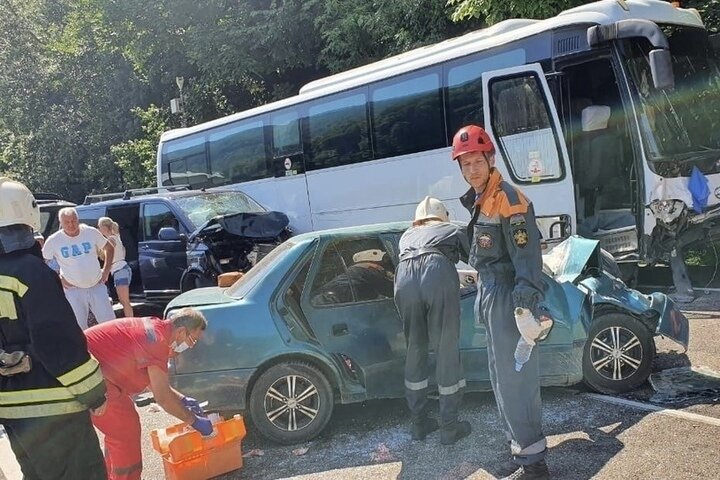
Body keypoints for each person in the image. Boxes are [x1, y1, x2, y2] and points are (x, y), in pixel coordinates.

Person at [452, 125, 550, 479]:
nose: (472, 169)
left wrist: (524, 305)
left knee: (516, 381)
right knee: (501, 379)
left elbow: (527, 259)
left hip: (509, 297)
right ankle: (521, 449)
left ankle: (535, 464)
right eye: (465, 164)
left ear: (490, 159)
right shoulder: (483, 198)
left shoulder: (510, 199)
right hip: (492, 293)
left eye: (477, 162)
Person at [0, 177, 108, 480]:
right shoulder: (31, 272)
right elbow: (57, 341)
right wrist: (94, 392)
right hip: (54, 409)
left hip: (10, 411)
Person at [85, 307, 214, 480]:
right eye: (192, 340)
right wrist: (194, 421)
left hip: (94, 371)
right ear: (181, 332)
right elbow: (163, 398)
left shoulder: (155, 330)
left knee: (119, 432)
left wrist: (182, 399)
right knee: (125, 430)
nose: (190, 346)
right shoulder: (156, 342)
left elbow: (153, 383)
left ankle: (111, 475)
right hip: (91, 375)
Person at [394, 196, 471, 445]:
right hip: (436, 271)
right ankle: (449, 428)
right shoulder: (452, 228)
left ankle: (419, 424)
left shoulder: (407, 235)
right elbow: (479, 257)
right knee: (445, 350)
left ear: (417, 220)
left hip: (404, 276)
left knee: (415, 348)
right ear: (443, 216)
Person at [42, 207, 116, 329]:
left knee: (109, 323)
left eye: (73, 221)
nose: (71, 225)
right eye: (67, 222)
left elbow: (109, 247)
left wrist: (106, 270)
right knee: (78, 326)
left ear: (78, 219)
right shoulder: (54, 240)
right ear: (61, 223)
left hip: (96, 284)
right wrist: (58, 279)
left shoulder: (90, 232)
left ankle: (112, 341)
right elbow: (43, 262)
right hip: (73, 289)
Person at [312, 249, 394, 305]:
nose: (383, 268)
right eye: (381, 265)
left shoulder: (352, 274)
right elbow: (393, 290)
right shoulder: (366, 273)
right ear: (371, 264)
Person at [98, 217, 134, 317]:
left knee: (124, 301)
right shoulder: (116, 237)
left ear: (104, 227)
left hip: (119, 270)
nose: (99, 229)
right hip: (122, 269)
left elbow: (106, 255)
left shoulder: (111, 240)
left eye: (99, 227)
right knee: (124, 301)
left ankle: (130, 322)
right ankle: (130, 320)